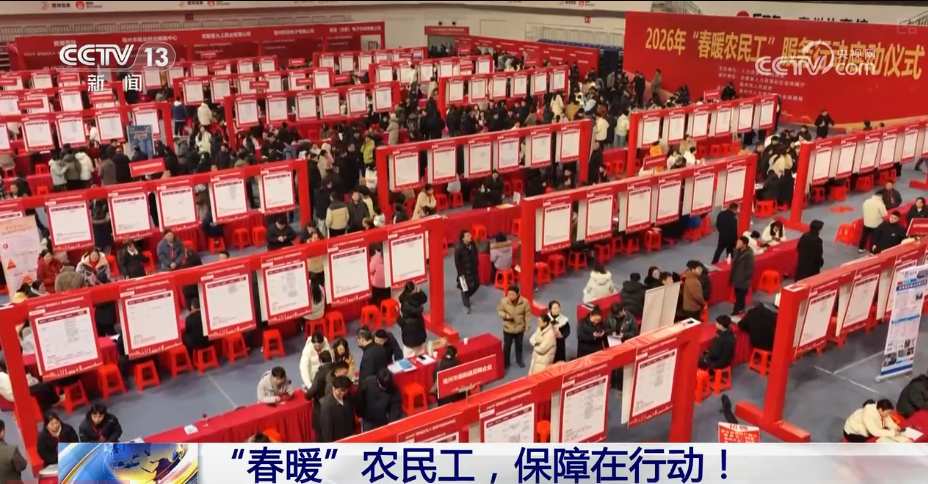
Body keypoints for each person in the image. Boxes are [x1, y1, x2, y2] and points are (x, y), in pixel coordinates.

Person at [843, 399, 908, 443]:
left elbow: (888, 420)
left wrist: (895, 427)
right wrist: (892, 433)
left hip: (866, 430)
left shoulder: (881, 410)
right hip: (853, 432)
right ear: (880, 409)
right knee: (868, 446)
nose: (888, 414)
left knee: (884, 434)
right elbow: (874, 431)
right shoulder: (869, 414)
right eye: (888, 412)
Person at [497, 285, 531, 369]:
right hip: (508, 328)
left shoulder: (525, 302)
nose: (510, 296)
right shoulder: (503, 301)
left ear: (518, 294)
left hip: (520, 328)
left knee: (519, 345)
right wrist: (505, 315)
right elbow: (500, 311)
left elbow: (527, 315)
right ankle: (506, 362)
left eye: (512, 294)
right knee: (507, 345)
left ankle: (519, 360)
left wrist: (527, 325)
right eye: (509, 294)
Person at [319, 376, 356, 442]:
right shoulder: (327, 406)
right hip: (338, 439)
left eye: (345, 390)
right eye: (340, 391)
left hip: (350, 435)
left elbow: (351, 415)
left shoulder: (348, 396)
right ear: (333, 388)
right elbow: (327, 429)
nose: (343, 393)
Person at [398, 282, 428, 357]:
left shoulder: (408, 297)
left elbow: (424, 299)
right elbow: (418, 310)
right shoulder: (407, 303)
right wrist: (420, 306)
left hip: (413, 335)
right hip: (412, 335)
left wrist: (419, 291)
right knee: (418, 357)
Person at [454, 230, 480, 313]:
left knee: (476, 284)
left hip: (473, 270)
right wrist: (460, 273)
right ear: (463, 238)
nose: (470, 236)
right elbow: (457, 262)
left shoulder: (472, 244)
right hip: (463, 272)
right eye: (467, 236)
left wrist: (476, 264)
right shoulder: (459, 248)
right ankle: (467, 305)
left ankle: (466, 297)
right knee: (465, 289)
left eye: (470, 235)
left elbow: (475, 254)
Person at [730, 236, 755, 315]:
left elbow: (749, 269)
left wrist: (742, 279)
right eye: (737, 242)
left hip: (743, 281)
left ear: (744, 244)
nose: (737, 243)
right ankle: (741, 308)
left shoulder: (749, 255)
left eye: (739, 242)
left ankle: (735, 311)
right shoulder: (737, 250)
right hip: (736, 278)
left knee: (739, 297)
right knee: (739, 296)